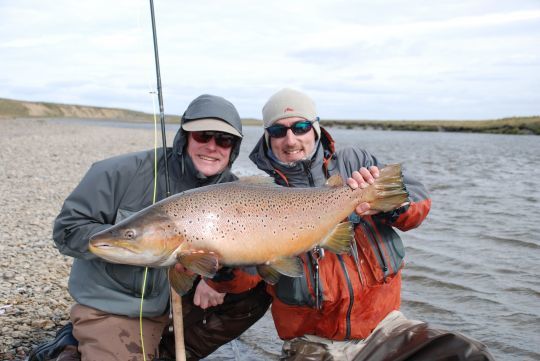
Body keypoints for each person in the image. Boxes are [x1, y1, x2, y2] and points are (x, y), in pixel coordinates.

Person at [207, 89, 494, 360]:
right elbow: (243, 281)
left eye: (301, 127)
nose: (290, 139)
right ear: (268, 138)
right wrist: (220, 268)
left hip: (387, 331)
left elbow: (417, 203)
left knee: (467, 353)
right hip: (311, 345)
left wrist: (391, 204)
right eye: (278, 131)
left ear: (316, 128)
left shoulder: (356, 162)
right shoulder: (255, 194)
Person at [30, 94, 271, 361]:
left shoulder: (235, 194)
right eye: (203, 135)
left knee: (257, 294)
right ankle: (74, 344)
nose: (212, 146)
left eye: (224, 140)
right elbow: (67, 230)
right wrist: (132, 246)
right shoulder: (119, 172)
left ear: (234, 148)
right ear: (185, 137)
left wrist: (217, 280)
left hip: (177, 305)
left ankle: (157, 353)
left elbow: (252, 256)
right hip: (119, 309)